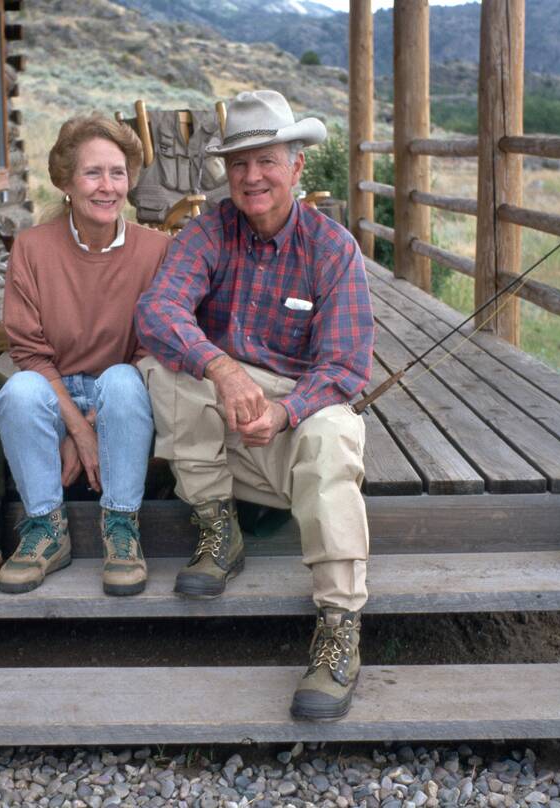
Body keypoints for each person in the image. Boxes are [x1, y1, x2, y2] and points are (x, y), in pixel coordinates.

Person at [135, 90, 375, 720]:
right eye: (239, 163)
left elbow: (346, 366)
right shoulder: (208, 231)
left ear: (297, 166)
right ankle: (219, 528)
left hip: (296, 409)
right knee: (162, 370)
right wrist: (219, 367)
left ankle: (340, 626)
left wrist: (287, 412)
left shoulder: (332, 247)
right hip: (227, 407)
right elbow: (157, 311)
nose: (252, 176)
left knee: (334, 436)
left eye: (267, 160)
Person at [0, 114, 171, 596]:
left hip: (124, 398)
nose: (107, 186)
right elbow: (29, 353)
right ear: (66, 182)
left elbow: (151, 349)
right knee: (19, 391)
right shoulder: (31, 248)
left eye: (118, 173)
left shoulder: (156, 250)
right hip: (55, 393)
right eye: (93, 173)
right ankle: (45, 529)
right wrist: (78, 428)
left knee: (123, 379)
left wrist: (92, 426)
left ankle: (121, 525)